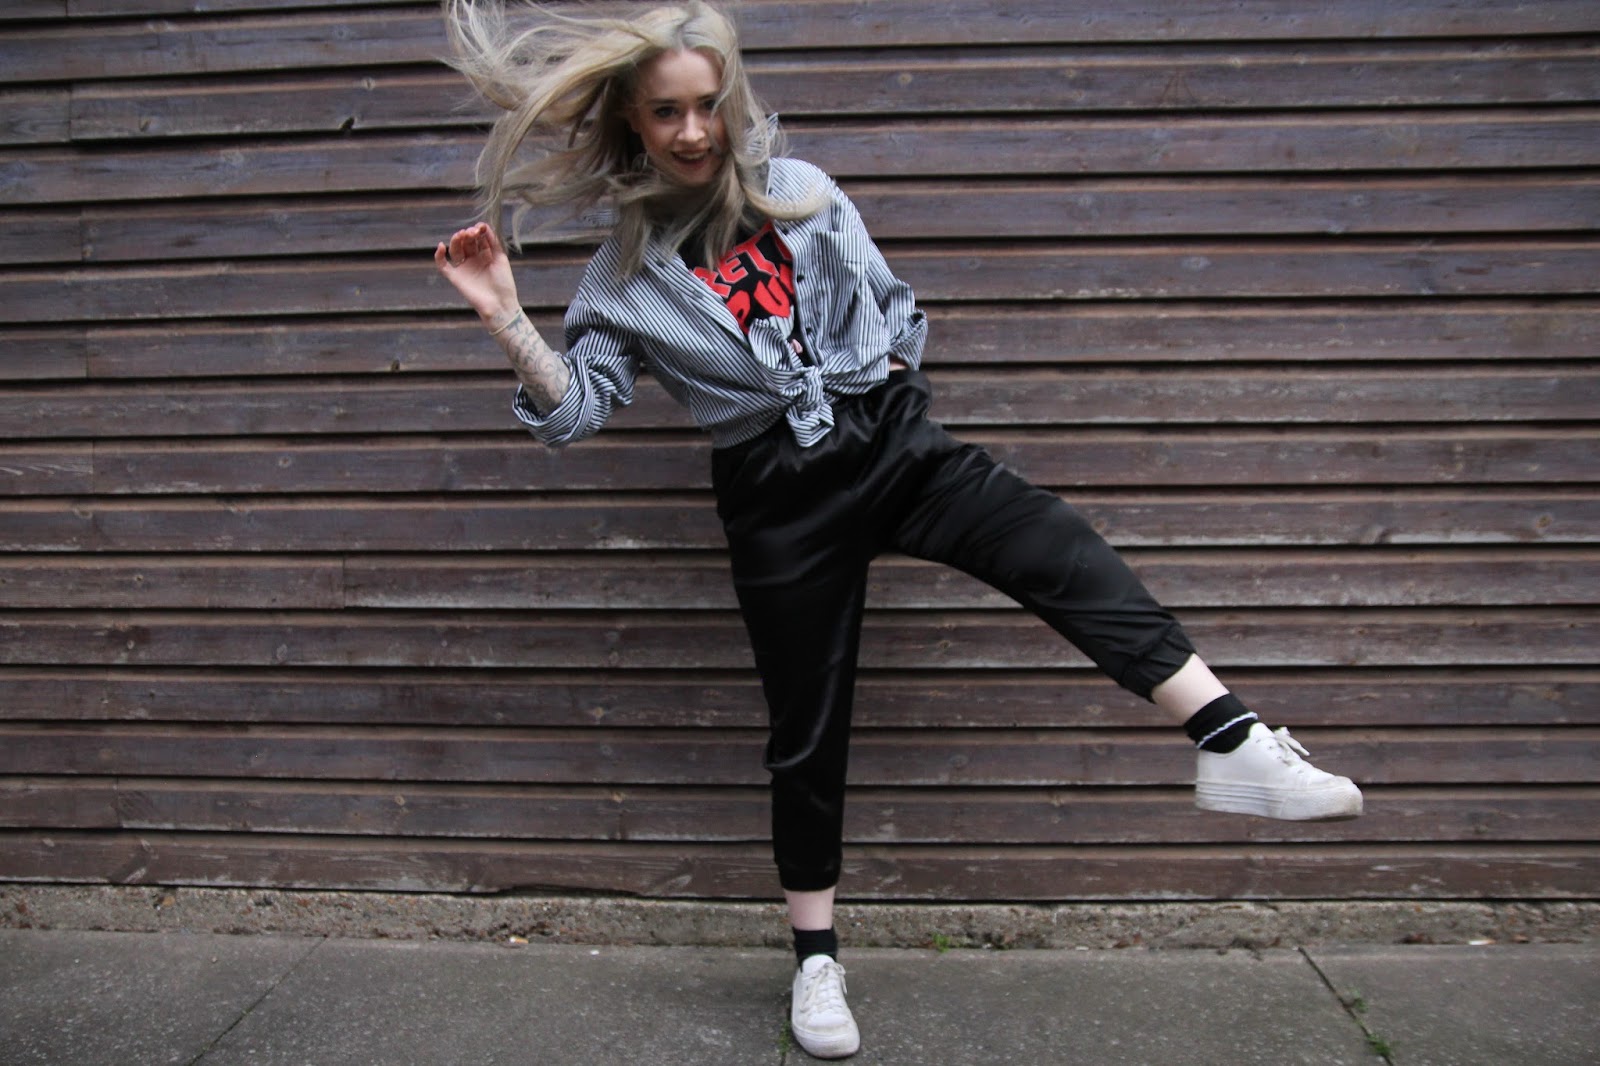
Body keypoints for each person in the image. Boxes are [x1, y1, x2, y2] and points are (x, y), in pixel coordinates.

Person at [434, 1, 1363, 1058]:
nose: (692, 132)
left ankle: (1233, 741)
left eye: (707, 105)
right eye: (665, 112)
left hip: (888, 441)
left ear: (732, 102)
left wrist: (886, 377)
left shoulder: (804, 190)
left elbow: (889, 300)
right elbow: (576, 413)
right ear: (633, 122)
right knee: (807, 727)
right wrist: (504, 316)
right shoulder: (622, 278)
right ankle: (815, 962)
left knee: (1052, 543)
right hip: (776, 492)